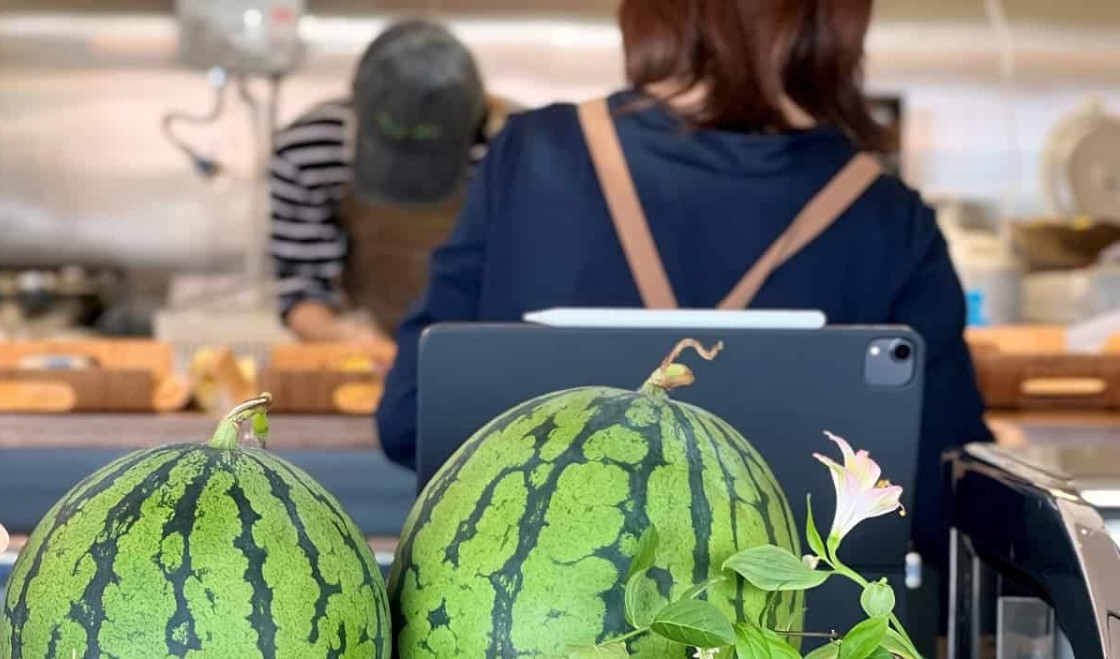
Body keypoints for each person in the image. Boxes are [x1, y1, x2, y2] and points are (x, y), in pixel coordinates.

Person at [376, 0, 992, 563]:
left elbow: (411, 418)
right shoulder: (887, 215)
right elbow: (941, 503)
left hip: (530, 647)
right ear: (839, 19)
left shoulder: (533, 155)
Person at [270, 20, 511, 342]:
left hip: (481, 343)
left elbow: (536, 281)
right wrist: (339, 335)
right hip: (363, 343)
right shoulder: (309, 151)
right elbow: (302, 283)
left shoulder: (513, 151)